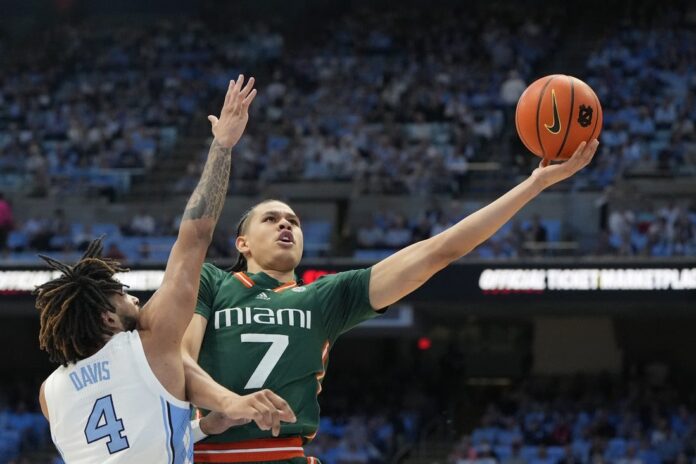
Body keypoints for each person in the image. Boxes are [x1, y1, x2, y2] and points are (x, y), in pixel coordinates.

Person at [183, 140, 600, 462]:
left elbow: (438, 251)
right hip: (204, 450)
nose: (285, 225)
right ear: (242, 243)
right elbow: (179, 361)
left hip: (283, 453)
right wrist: (226, 406)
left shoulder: (325, 296)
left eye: (293, 220)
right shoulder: (213, 282)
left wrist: (534, 184)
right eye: (271, 219)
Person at [37, 75, 295, 463]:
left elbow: (126, 436)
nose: (135, 299)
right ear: (108, 318)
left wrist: (205, 427)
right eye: (123, 296)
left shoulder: (49, 393)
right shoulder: (150, 343)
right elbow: (194, 236)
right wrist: (222, 146)